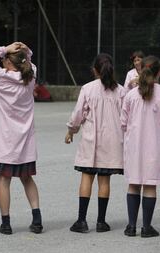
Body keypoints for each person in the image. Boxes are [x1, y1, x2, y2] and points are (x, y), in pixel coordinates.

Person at [0, 42, 43, 235]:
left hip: (4, 142)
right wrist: (24, 49)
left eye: (4, 59)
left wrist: (5, 48)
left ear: (8, 61)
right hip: (24, 141)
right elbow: (30, 60)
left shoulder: (0, 77)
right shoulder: (30, 76)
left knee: (4, 180)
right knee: (27, 179)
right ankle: (37, 219)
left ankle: (6, 223)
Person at [65, 53, 125, 233]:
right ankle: (101, 222)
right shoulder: (121, 91)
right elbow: (125, 118)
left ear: (95, 70)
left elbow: (78, 114)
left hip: (91, 140)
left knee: (86, 178)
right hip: (112, 142)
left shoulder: (88, 88)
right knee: (104, 181)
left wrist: (71, 130)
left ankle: (81, 221)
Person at [121, 55, 160, 238]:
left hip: (133, 147)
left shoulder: (130, 95)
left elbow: (123, 123)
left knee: (134, 184)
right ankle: (146, 227)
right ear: (158, 73)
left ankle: (130, 226)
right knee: (150, 185)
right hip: (154, 147)